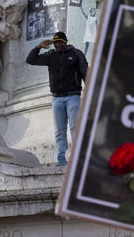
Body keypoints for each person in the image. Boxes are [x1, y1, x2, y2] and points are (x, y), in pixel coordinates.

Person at [26, 31, 88, 166]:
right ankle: (62, 160)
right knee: (59, 132)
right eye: (55, 43)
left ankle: (78, 158)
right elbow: (30, 60)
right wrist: (38, 47)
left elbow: (85, 72)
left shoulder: (76, 54)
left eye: (60, 42)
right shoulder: (50, 56)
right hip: (56, 99)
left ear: (65, 43)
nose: (58, 45)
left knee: (75, 129)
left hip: (73, 97)